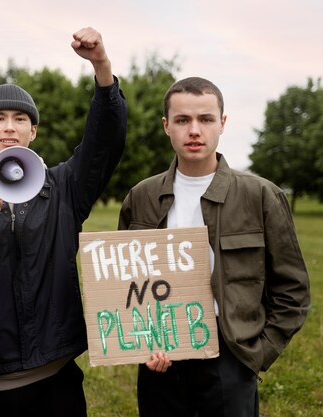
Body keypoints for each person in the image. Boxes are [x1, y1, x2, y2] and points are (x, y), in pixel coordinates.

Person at [0, 27, 126, 417]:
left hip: (55, 375)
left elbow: (105, 142)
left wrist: (101, 67)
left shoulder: (63, 187)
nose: (9, 127)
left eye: (20, 119)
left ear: (32, 132)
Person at [118, 76, 310, 417]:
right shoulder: (141, 197)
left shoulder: (261, 195)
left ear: (222, 123)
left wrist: (256, 354)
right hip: (161, 357)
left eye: (205, 119)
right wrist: (144, 344)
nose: (195, 130)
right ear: (166, 126)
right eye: (182, 120)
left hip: (230, 355)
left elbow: (292, 291)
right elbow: (126, 286)